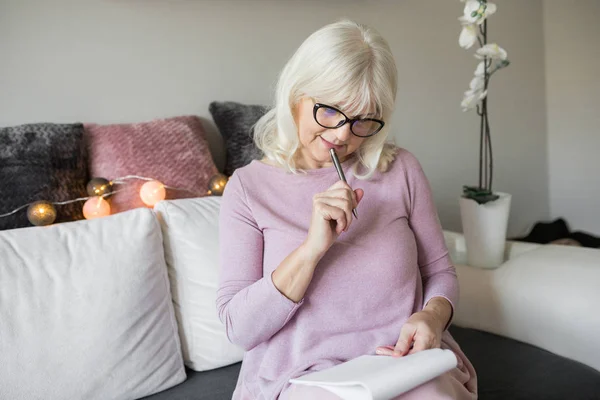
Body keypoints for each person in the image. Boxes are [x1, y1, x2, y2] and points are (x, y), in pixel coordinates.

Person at [216, 19, 477, 400]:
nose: (342, 134)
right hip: (302, 377)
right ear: (296, 96)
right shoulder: (248, 188)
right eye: (330, 111)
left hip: (402, 363)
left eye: (362, 121)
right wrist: (311, 249)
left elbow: (439, 271)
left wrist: (432, 316)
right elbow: (239, 330)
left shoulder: (400, 169)